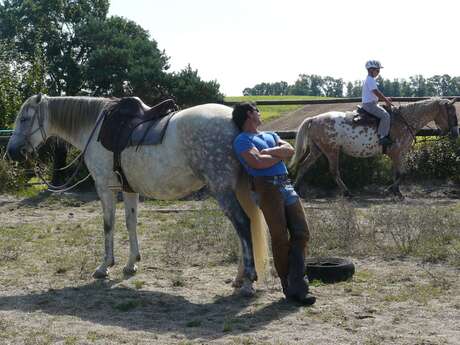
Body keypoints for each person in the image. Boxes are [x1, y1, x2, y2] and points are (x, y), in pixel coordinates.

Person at [232, 102, 316, 306]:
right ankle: (293, 288)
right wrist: (276, 154)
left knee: (302, 232)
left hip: (285, 185)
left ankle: (295, 282)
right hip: (266, 188)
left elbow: (289, 150)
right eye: (257, 111)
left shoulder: (268, 134)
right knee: (280, 237)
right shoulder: (242, 140)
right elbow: (257, 163)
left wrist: (268, 154)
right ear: (250, 114)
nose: (260, 115)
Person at [362, 60, 394, 146]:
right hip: (370, 105)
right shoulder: (370, 80)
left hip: (371, 103)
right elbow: (376, 92)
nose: (378, 72)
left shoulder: (370, 79)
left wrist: (385, 98)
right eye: (377, 70)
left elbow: (375, 94)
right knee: (386, 116)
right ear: (371, 70)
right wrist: (386, 100)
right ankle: (382, 137)